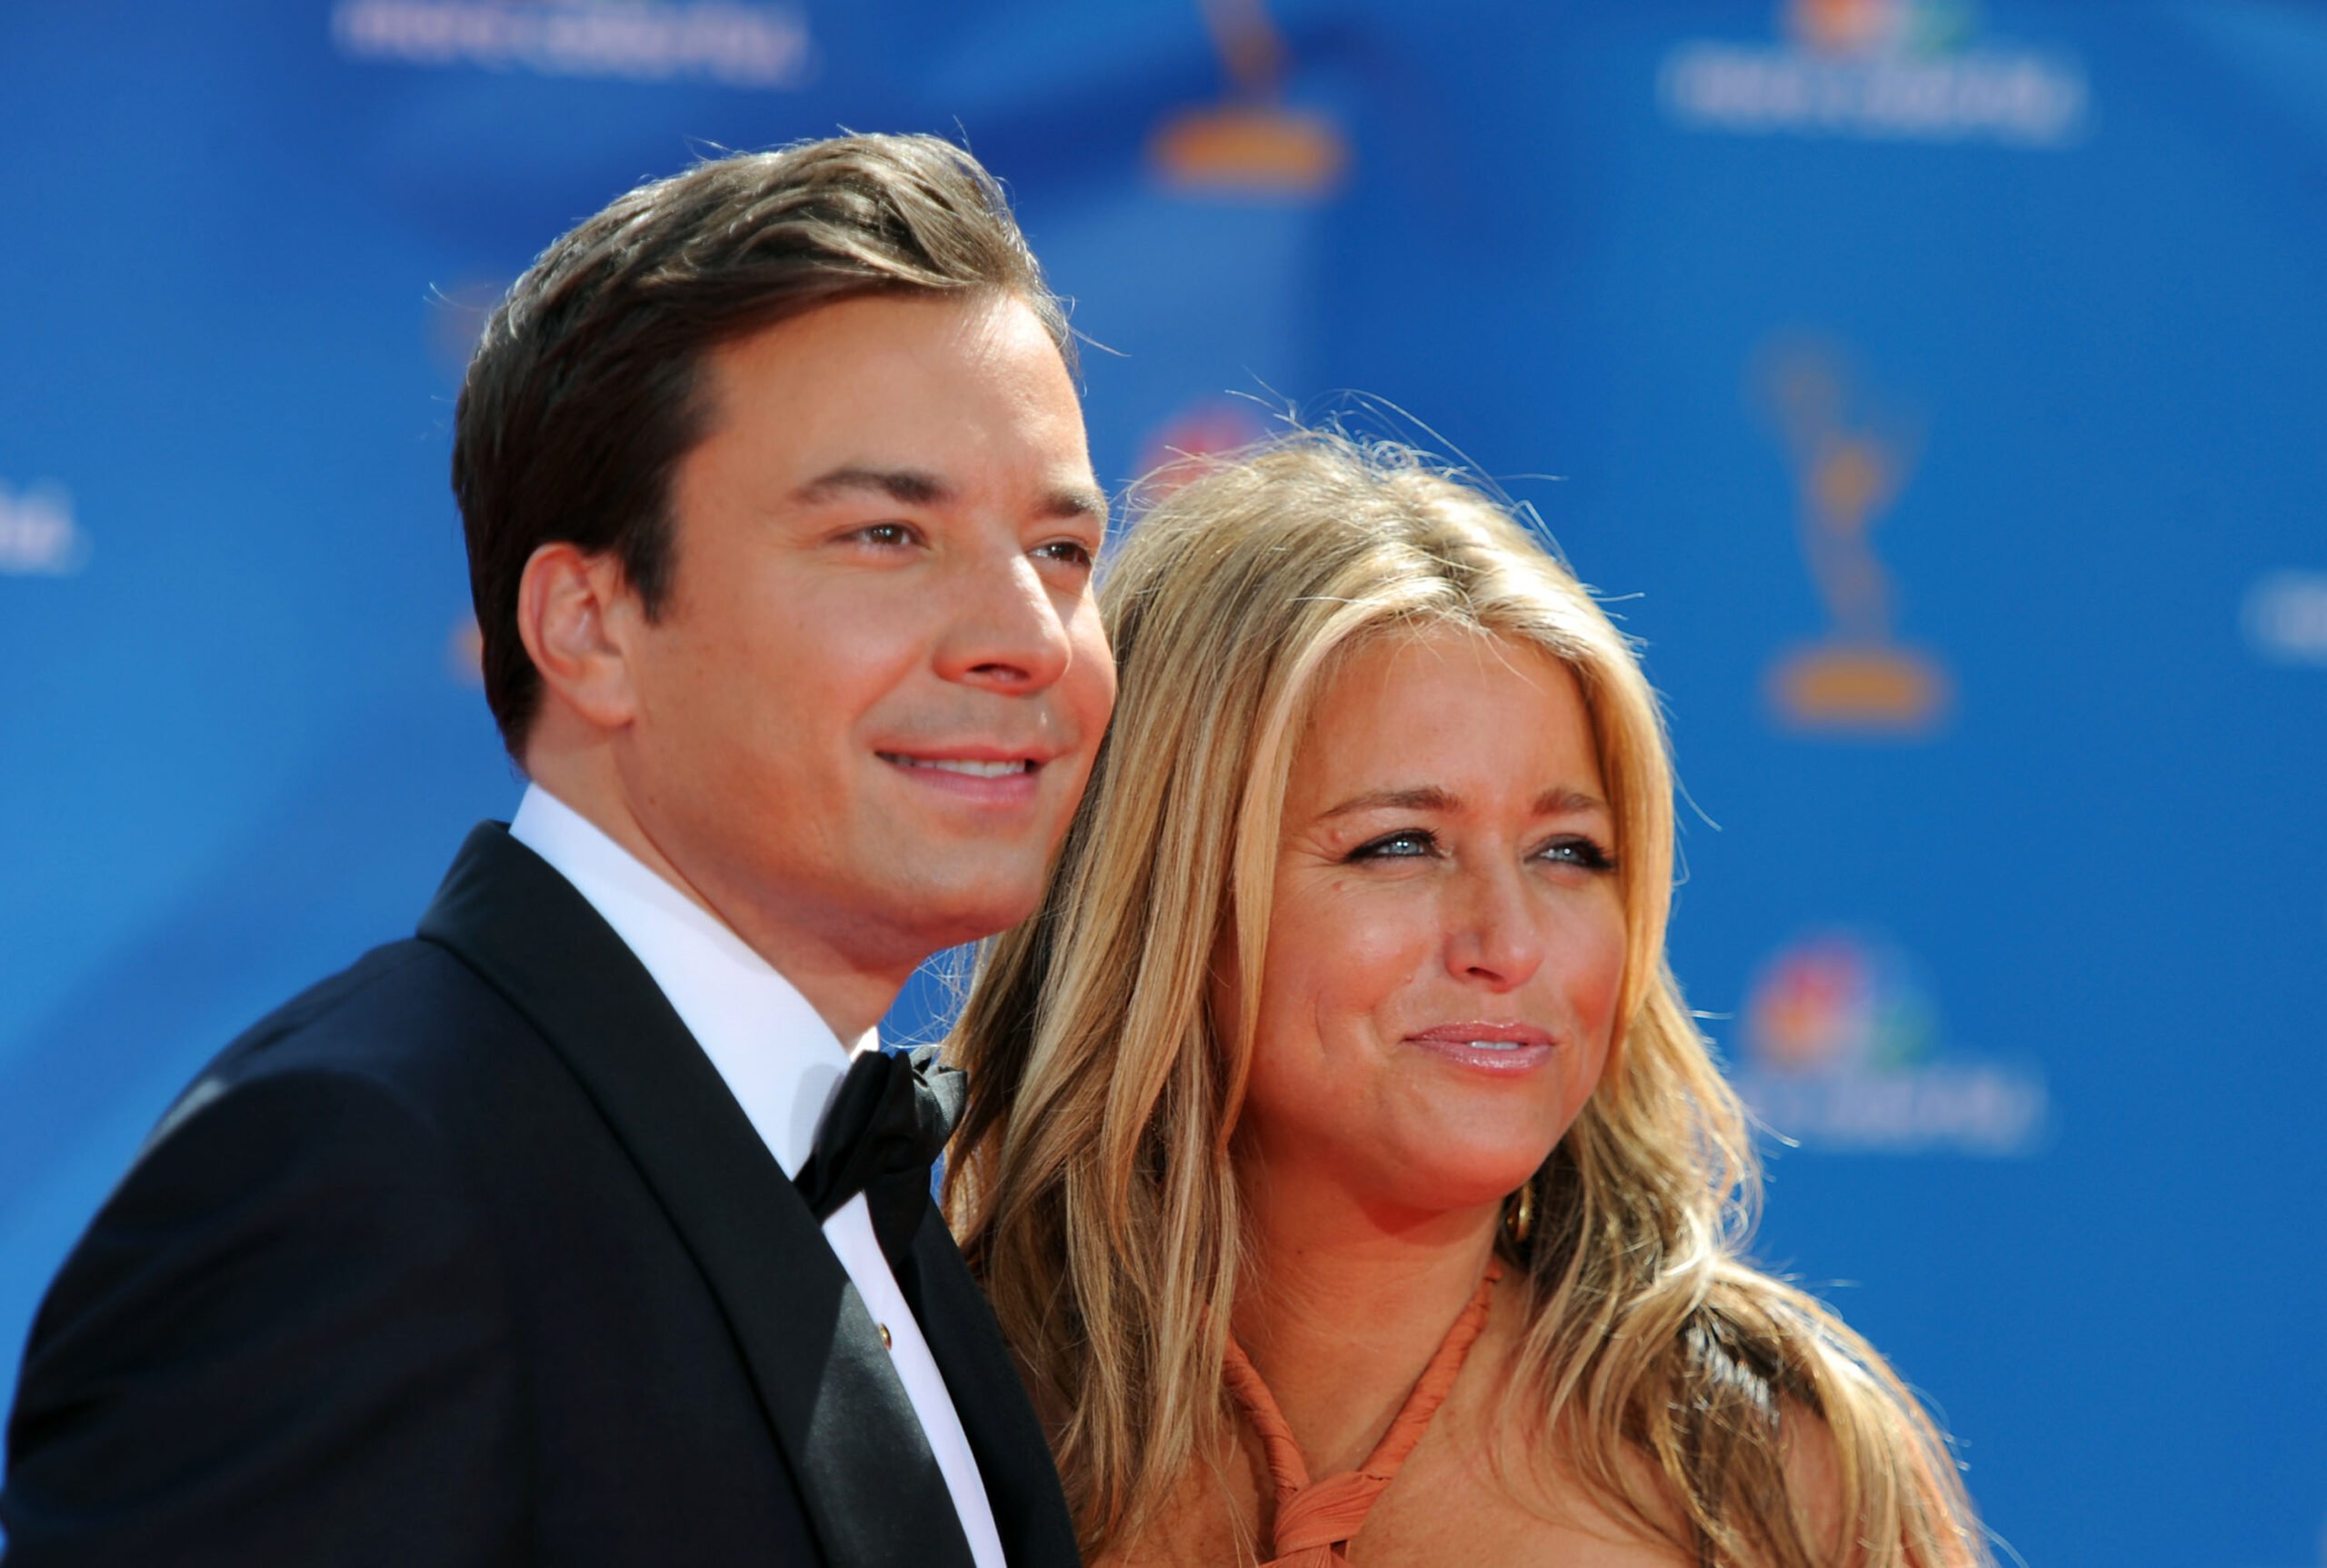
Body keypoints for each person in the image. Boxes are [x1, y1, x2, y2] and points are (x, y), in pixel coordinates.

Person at [0, 135, 1108, 1567]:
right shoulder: (358, 1189)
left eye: (1065, 552)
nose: (1027, 639)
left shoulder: (888, 1192)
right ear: (587, 627)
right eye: (888, 533)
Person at [945, 433, 1987, 1567]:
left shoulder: (1773, 1470)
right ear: (1165, 888)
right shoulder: (918, 1400)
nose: (1509, 943)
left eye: (1569, 852)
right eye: (1401, 844)